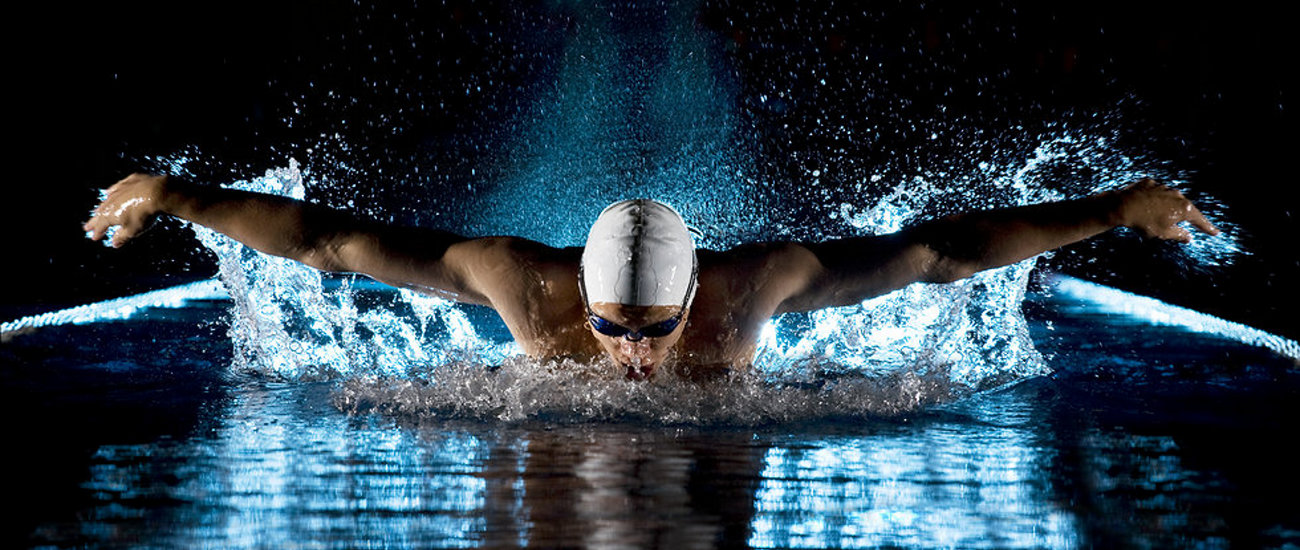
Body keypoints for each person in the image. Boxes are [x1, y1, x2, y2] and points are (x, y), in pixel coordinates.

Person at [85, 174, 1218, 379]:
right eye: (611, 327)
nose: (628, 353)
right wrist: (179, 196)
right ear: (575, 294)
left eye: (650, 328)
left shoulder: (754, 289)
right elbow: (333, 242)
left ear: (693, 298)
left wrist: (1114, 211)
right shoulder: (518, 284)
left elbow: (936, 254)